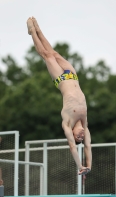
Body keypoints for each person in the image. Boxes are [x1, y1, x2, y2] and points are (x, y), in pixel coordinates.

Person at [27, 17, 92, 175]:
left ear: (73, 135)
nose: (82, 136)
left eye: (79, 138)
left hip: (61, 79)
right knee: (54, 53)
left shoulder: (67, 122)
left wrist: (80, 166)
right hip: (73, 76)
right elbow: (88, 147)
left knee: (47, 56)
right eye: (82, 137)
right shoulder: (85, 122)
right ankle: (38, 29)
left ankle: (32, 32)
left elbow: (72, 146)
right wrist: (88, 165)